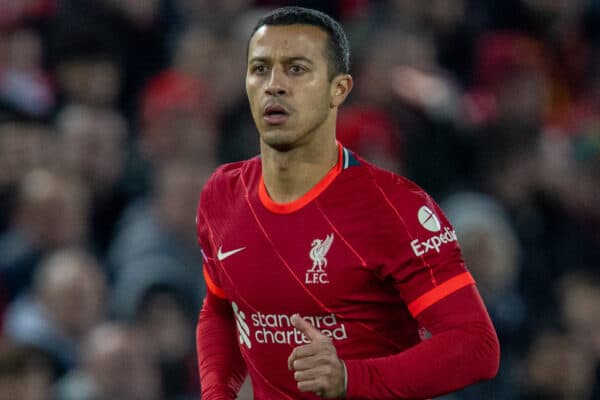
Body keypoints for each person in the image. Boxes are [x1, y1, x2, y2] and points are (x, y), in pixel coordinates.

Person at [196, 6, 500, 399]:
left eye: (296, 69)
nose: (274, 84)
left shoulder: (394, 207)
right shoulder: (222, 193)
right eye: (260, 69)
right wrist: (216, 393)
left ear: (338, 89)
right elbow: (219, 311)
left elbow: (476, 346)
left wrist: (349, 379)